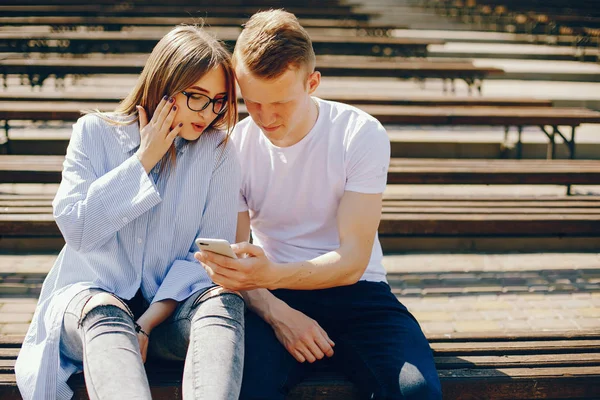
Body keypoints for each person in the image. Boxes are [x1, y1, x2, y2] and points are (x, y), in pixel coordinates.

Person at [196, 10, 442, 400]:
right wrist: (277, 312)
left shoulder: (359, 133)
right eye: (252, 102)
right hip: (271, 298)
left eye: (280, 102)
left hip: (359, 294)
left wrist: (267, 276)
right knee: (244, 391)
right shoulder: (234, 146)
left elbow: (352, 261)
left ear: (312, 83)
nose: (265, 117)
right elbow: (235, 269)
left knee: (416, 394)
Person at [15, 25, 245, 400]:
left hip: (169, 319)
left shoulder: (217, 151)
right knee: (105, 308)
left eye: (219, 100)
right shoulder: (93, 133)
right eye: (197, 97)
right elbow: (78, 229)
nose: (209, 112)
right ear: (164, 86)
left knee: (223, 300)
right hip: (90, 313)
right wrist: (143, 160)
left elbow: (208, 261)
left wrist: (148, 323)